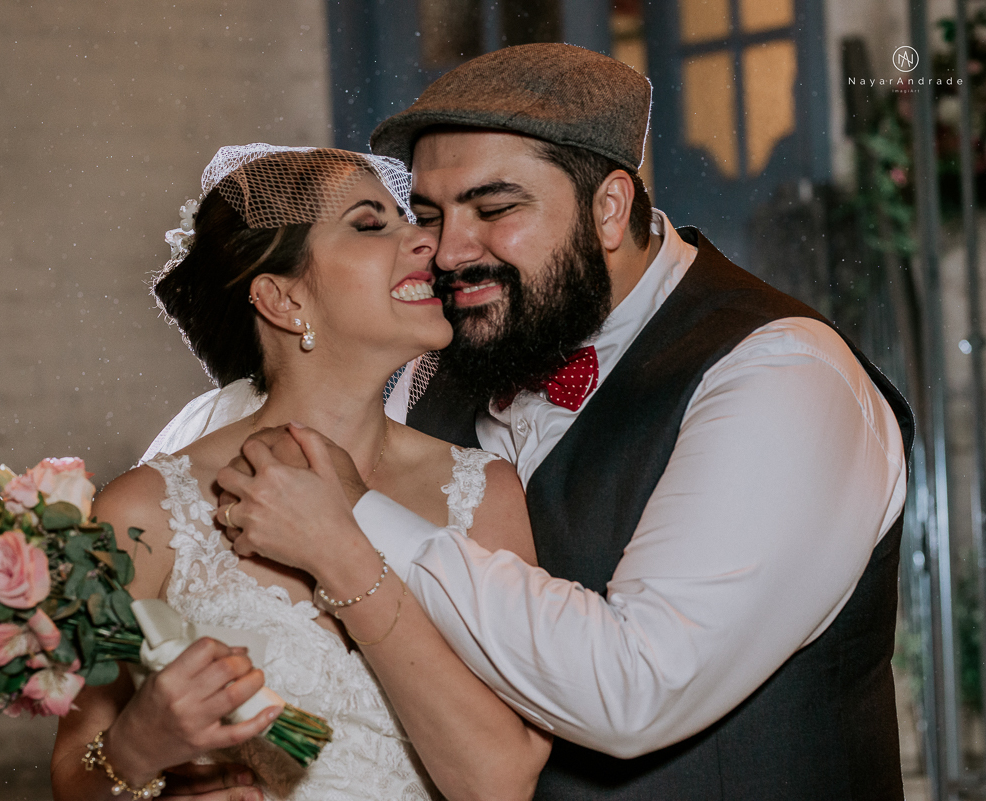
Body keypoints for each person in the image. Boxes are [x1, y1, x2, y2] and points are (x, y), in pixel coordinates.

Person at [213, 44, 914, 800]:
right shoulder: (428, 371)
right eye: (428, 215)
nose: (447, 251)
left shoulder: (782, 374)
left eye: (495, 208)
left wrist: (353, 520)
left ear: (610, 208)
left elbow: (634, 688)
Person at [50, 144, 550, 801]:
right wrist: (139, 748)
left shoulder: (485, 492)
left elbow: (501, 786)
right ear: (283, 298)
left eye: (408, 218)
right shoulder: (144, 511)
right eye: (372, 224)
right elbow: (71, 782)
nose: (427, 240)